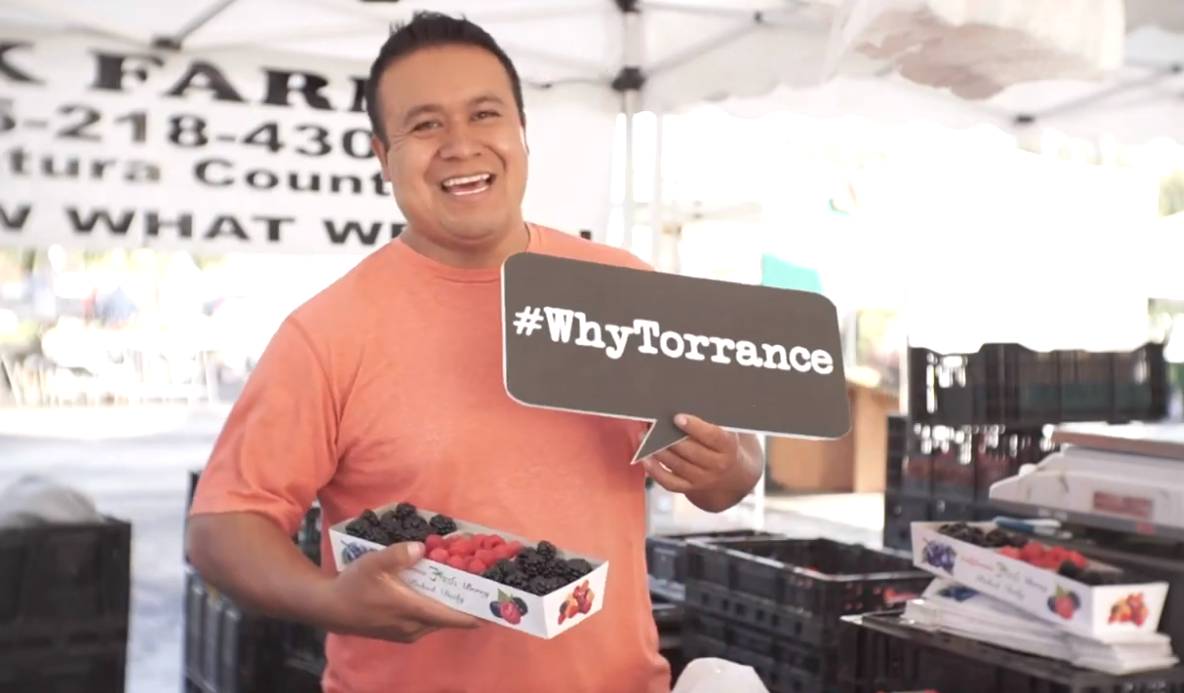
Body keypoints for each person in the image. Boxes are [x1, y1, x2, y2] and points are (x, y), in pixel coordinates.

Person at [186, 12, 763, 693]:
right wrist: (331, 599)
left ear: (521, 133)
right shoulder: (327, 332)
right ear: (383, 156)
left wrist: (726, 461)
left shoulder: (622, 289)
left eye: (484, 115)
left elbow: (733, 473)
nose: (461, 145)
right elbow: (223, 528)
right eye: (426, 125)